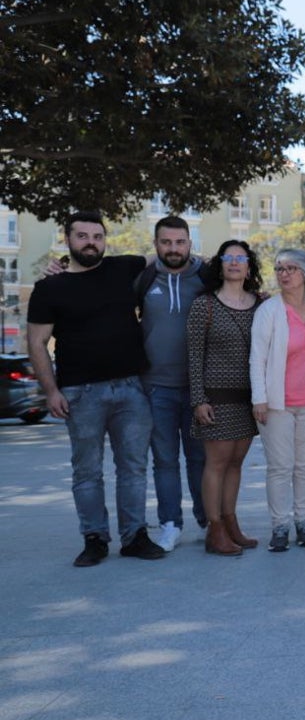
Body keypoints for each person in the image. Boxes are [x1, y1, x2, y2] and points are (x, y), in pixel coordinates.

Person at [27, 211, 165, 566]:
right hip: (80, 393)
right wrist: (51, 391)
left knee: (133, 467)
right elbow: (37, 343)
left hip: (131, 389)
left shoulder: (123, 268)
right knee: (87, 471)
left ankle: (135, 536)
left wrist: (235, 267)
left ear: (105, 239)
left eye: (98, 236)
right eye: (83, 236)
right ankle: (95, 539)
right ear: (68, 240)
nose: (91, 242)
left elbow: (170, 256)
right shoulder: (49, 288)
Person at [137, 215, 209, 551]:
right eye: (166, 242)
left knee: (200, 460)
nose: (174, 248)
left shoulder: (207, 278)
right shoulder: (143, 278)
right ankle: (170, 524)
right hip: (156, 387)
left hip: (198, 389)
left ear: (190, 243)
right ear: (156, 245)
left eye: (180, 242)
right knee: (164, 460)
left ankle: (209, 521)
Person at [187, 240, 263, 556]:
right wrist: (198, 399)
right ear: (220, 265)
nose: (234, 263)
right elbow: (193, 355)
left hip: (248, 398)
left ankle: (231, 524)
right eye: (227, 258)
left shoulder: (261, 304)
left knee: (236, 463)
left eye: (240, 258)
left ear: (249, 266)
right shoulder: (203, 305)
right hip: (215, 398)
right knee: (216, 463)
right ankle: (214, 530)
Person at [250, 249, 305, 553]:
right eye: (279, 268)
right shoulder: (268, 311)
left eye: (291, 268)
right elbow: (257, 359)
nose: (284, 274)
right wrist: (259, 398)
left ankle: (304, 523)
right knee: (280, 467)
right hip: (277, 404)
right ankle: (279, 526)